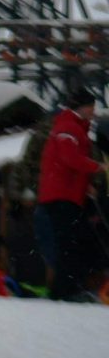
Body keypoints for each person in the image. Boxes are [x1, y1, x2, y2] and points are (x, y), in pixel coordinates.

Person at [36, 87, 101, 299]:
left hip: (67, 194)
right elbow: (69, 158)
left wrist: (86, 184)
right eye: (90, 106)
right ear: (80, 107)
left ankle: (66, 289)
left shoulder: (73, 127)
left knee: (72, 242)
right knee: (69, 244)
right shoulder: (69, 127)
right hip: (62, 196)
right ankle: (65, 291)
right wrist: (97, 167)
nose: (93, 111)